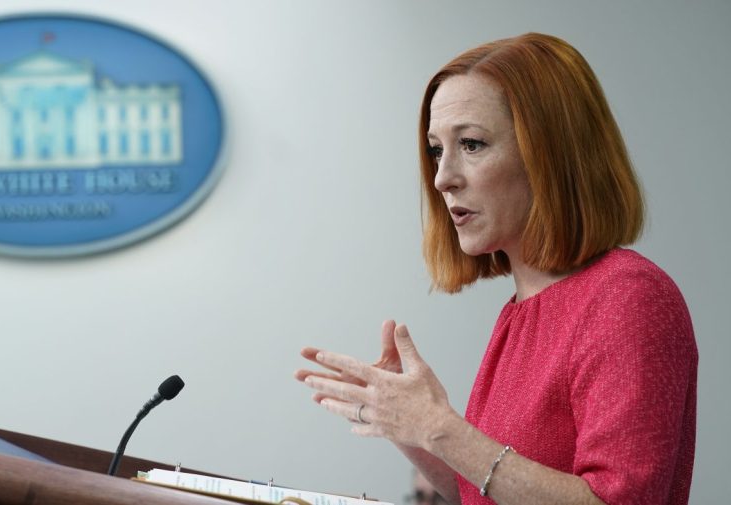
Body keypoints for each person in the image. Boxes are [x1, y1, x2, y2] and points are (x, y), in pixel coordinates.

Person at [294, 33, 697, 505]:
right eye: (436, 150)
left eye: (471, 143)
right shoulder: (519, 312)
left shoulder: (629, 297)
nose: (443, 177)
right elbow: (486, 493)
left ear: (552, 154)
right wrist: (406, 423)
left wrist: (440, 428)